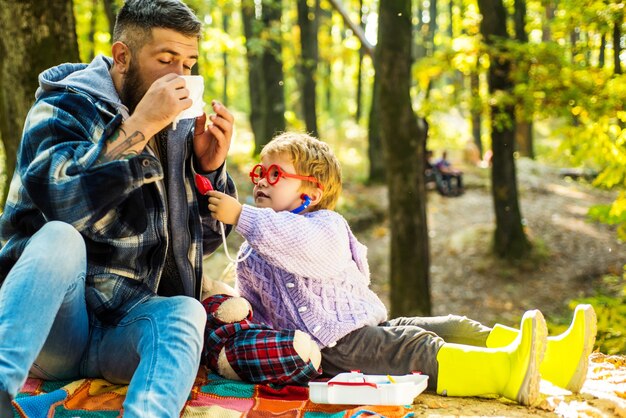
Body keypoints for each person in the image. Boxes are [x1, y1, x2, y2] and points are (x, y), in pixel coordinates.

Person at [205, 132, 597, 406]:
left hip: (355, 330)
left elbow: (300, 244)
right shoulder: (251, 254)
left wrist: (243, 215)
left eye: (275, 174)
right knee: (415, 347)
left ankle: (550, 359)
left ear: (311, 192)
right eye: (259, 173)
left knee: (450, 326)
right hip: (331, 349)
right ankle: (505, 372)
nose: (260, 181)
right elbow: (258, 310)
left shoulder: (324, 225)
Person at [0, 1, 237, 416]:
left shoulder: (177, 129)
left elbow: (208, 243)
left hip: (125, 327)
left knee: (186, 310)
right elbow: (65, 205)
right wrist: (141, 126)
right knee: (60, 237)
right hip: (54, 329)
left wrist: (208, 170)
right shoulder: (63, 107)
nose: (179, 76)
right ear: (122, 56)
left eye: (188, 63)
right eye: (166, 60)